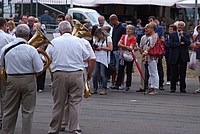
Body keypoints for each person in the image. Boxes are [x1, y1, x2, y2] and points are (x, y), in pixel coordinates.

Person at [47, 21, 92, 134]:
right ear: (71, 30)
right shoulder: (79, 41)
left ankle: (54, 129)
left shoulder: (54, 41)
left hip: (59, 74)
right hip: (76, 73)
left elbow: (47, 57)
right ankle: (74, 128)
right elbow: (87, 57)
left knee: (58, 102)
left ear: (60, 31)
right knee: (75, 102)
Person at [0, 24, 43, 134]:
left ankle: (6, 132)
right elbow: (39, 69)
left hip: (11, 79)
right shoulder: (31, 50)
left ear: (15, 34)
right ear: (28, 35)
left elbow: (1, 66)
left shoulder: (5, 49)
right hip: (29, 79)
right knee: (28, 111)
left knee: (9, 110)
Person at [111, 25, 137, 92]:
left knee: (128, 70)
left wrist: (123, 46)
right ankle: (118, 84)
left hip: (129, 55)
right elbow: (119, 44)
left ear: (133, 31)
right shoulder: (123, 36)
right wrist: (126, 46)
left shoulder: (133, 38)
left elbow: (131, 47)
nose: (128, 30)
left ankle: (128, 85)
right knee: (120, 69)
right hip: (122, 55)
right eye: (127, 29)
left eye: (130, 29)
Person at [0, 17, 15, 129]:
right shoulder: (8, 38)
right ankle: (3, 119)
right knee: (4, 96)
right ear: (4, 25)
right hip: (3, 70)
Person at [168, 21, 191, 93]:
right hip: (174, 55)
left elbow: (188, 43)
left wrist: (182, 36)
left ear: (183, 27)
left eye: (181, 25)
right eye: (179, 25)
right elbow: (171, 44)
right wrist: (180, 44)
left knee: (182, 73)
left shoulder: (186, 34)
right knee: (173, 73)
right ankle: (173, 87)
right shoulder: (172, 35)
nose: (180, 27)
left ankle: (183, 88)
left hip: (183, 56)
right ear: (177, 26)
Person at [92, 28, 113, 95]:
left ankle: (104, 88)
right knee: (94, 74)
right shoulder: (95, 39)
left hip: (104, 59)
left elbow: (110, 48)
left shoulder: (108, 38)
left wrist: (101, 48)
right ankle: (95, 88)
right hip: (96, 57)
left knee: (103, 74)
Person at [142, 22, 160, 95]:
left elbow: (151, 45)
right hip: (150, 56)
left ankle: (155, 87)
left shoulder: (154, 36)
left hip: (152, 56)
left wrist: (145, 51)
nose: (147, 29)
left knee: (153, 71)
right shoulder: (152, 36)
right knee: (151, 71)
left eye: (148, 28)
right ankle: (152, 86)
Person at [109, 14, 126, 88]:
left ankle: (120, 82)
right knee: (113, 67)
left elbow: (123, 38)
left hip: (118, 49)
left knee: (119, 67)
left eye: (111, 21)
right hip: (113, 48)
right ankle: (114, 82)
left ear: (114, 20)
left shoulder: (122, 28)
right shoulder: (114, 27)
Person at [137, 25, 150, 92]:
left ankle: (151, 86)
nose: (146, 31)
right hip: (144, 55)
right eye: (145, 30)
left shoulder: (153, 37)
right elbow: (140, 47)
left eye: (147, 30)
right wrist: (143, 54)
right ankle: (142, 86)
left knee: (151, 72)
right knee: (143, 71)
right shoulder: (143, 37)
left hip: (150, 56)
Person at [192, 25, 200, 93]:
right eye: (198, 29)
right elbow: (195, 44)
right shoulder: (198, 36)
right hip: (198, 56)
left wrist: (198, 44)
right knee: (199, 73)